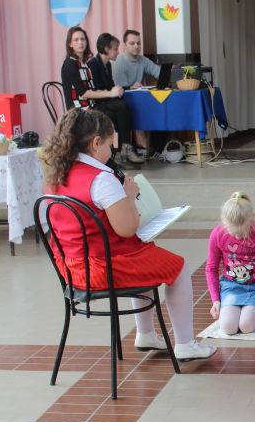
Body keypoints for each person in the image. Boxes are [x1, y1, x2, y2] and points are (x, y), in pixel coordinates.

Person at [41, 109, 216, 360]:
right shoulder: (102, 179)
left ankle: (146, 334)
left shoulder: (57, 174)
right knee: (178, 268)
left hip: (71, 268)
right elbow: (127, 228)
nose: (112, 150)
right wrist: (129, 197)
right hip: (102, 269)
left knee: (146, 256)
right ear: (95, 143)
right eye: (109, 143)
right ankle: (186, 343)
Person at [59, 26, 142, 164]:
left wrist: (119, 90)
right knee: (119, 109)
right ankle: (116, 154)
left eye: (83, 39)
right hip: (79, 111)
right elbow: (83, 93)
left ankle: (120, 152)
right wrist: (111, 93)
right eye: (76, 40)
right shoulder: (70, 64)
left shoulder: (83, 63)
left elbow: (97, 88)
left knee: (122, 107)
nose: (80, 42)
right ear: (70, 44)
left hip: (91, 106)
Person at [206, 192, 255, 335]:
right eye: (233, 232)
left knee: (246, 326)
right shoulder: (217, 234)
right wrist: (216, 300)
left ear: (252, 219)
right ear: (224, 222)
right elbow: (211, 268)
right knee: (228, 328)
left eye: (243, 231)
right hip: (231, 287)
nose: (238, 236)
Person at [112, 29, 161, 156]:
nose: (136, 46)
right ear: (124, 45)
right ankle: (143, 143)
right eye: (132, 43)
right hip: (122, 100)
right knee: (137, 107)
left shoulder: (142, 60)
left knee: (160, 106)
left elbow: (158, 72)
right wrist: (130, 87)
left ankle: (156, 147)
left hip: (139, 98)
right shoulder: (119, 62)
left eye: (138, 43)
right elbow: (120, 89)